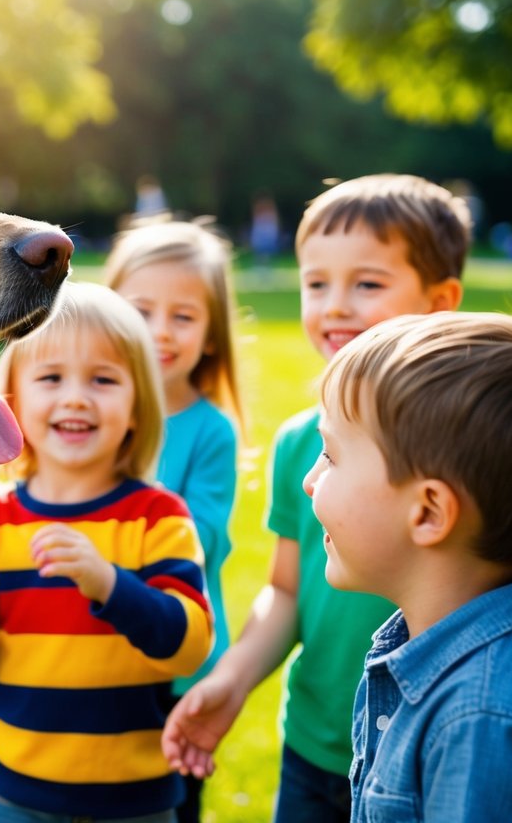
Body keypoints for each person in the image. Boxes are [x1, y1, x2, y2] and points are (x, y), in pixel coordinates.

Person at [162, 174, 470, 823]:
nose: (332, 306)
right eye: (315, 283)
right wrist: (232, 680)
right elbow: (284, 590)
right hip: (313, 747)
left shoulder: (472, 452)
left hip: (428, 754)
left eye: (366, 284)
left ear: (441, 303)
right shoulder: (300, 443)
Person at [302, 312, 512, 819]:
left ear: (428, 512)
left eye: (331, 457)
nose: (310, 482)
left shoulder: (483, 724)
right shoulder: (436, 659)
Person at [0, 282, 212, 822]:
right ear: (10, 403)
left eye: (103, 380)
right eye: (51, 378)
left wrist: (109, 585)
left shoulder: (159, 518)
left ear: (136, 407)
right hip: (20, 794)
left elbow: (189, 646)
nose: (76, 398)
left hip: (136, 797)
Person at [104, 220, 243, 823]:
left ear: (212, 335)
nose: (161, 331)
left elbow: (200, 540)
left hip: (172, 658)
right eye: (142, 310)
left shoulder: (210, 431)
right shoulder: (91, 409)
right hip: (96, 647)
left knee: (167, 799)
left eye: (184, 317)